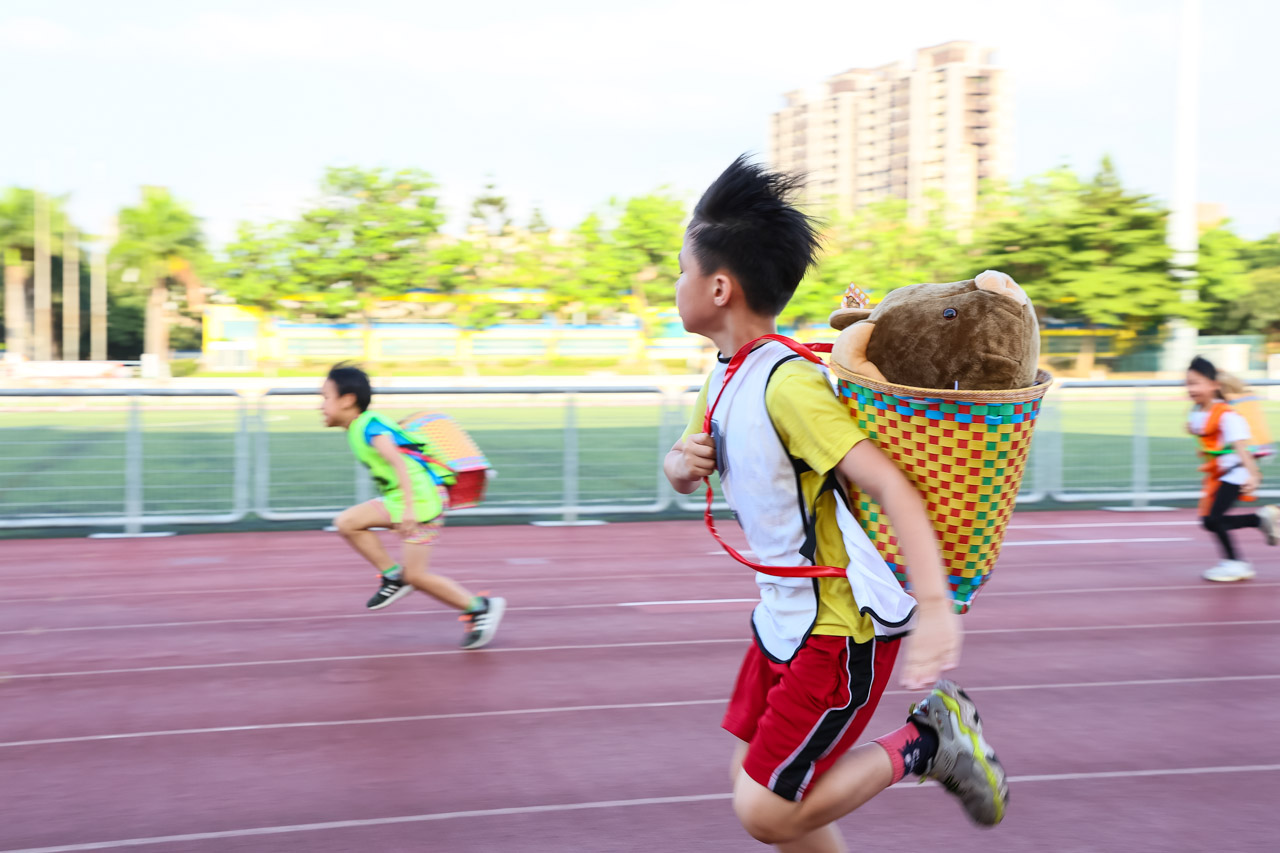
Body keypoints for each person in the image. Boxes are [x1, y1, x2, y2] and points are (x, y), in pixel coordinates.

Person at [662, 156, 1007, 852]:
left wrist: (936, 607)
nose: (676, 284)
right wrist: (679, 462)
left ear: (720, 287)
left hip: (839, 627)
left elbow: (889, 483)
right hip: (783, 617)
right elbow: (684, 461)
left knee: (765, 810)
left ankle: (928, 741)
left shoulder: (789, 385)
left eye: (681, 270)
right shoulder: (725, 378)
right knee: (762, 783)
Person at [321, 363, 505, 648]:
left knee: (417, 575)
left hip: (420, 502)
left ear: (347, 400)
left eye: (325, 398)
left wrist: (407, 510)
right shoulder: (360, 427)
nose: (320, 406)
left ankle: (479, 607)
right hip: (402, 498)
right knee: (347, 522)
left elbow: (398, 462)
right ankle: (393, 577)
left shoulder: (370, 425)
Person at [1185, 355, 1278, 582]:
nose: (1191, 389)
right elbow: (1200, 431)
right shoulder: (1197, 411)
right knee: (1208, 521)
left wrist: (1254, 476)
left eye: (1196, 383)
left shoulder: (1228, 416)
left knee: (1215, 518)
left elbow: (1241, 448)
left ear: (1214, 385)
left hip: (1237, 473)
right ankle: (1259, 519)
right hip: (1218, 475)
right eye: (1188, 383)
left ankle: (1236, 563)